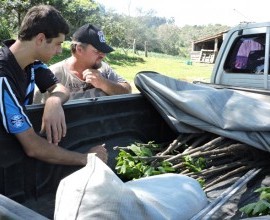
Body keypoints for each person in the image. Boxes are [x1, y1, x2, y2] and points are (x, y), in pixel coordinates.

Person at [0, 5, 107, 165]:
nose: (59, 51)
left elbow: (59, 88)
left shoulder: (31, 62)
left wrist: (53, 101)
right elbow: (32, 146)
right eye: (58, 43)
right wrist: (87, 159)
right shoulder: (2, 76)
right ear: (41, 39)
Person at [33, 23, 131, 103]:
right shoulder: (52, 75)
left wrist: (103, 83)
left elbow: (127, 91)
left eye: (104, 51)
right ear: (79, 49)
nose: (103, 56)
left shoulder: (104, 69)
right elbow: (36, 112)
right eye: (97, 51)